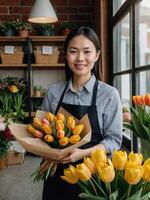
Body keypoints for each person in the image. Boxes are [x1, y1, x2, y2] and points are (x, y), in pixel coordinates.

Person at [41, 26, 123, 200]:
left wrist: (82, 153)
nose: (80, 58)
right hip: (57, 176)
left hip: (93, 179)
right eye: (73, 51)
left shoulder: (108, 94)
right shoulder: (53, 92)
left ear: (97, 55)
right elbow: (41, 132)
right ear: (65, 55)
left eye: (87, 51)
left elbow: (114, 140)